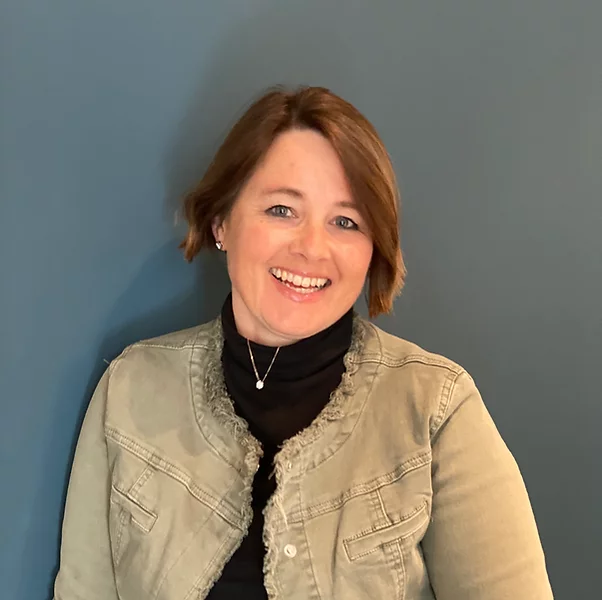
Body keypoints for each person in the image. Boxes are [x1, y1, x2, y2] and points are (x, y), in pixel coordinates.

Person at [53, 86, 553, 600]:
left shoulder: (435, 409)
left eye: (345, 221)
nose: (312, 248)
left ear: (372, 248)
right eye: (281, 210)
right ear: (222, 221)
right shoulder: (131, 388)